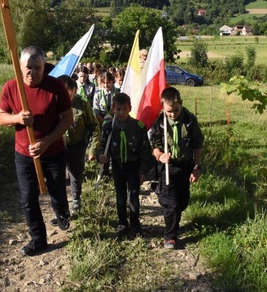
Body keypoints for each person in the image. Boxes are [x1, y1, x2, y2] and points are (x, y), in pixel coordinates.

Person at [0, 46, 74, 257]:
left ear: (43, 66)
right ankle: (38, 239)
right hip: (24, 154)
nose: (32, 73)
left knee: (57, 191)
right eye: (28, 68)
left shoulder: (55, 87)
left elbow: (68, 119)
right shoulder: (11, 87)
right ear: (20, 67)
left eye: (37, 68)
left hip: (53, 151)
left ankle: (62, 213)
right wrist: (17, 118)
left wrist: (47, 141)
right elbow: (1, 116)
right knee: (28, 197)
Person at [148, 87, 204, 250]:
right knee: (171, 204)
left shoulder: (190, 120)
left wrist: (196, 167)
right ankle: (170, 237)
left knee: (182, 201)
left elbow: (197, 145)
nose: (172, 114)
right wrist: (160, 155)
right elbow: (154, 144)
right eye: (168, 111)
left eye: (175, 110)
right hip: (167, 167)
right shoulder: (159, 121)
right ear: (163, 107)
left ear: (181, 104)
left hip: (185, 165)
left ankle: (165, 199)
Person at [97, 93, 152, 237]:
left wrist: (143, 170)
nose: (121, 112)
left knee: (133, 196)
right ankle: (122, 222)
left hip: (134, 166)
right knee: (120, 196)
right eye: (118, 109)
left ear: (130, 108)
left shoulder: (138, 127)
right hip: (117, 166)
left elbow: (145, 150)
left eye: (124, 109)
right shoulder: (109, 127)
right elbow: (102, 146)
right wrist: (101, 156)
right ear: (113, 109)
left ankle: (135, 222)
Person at [58, 74, 100, 214]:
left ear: (74, 90)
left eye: (67, 93)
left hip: (76, 145)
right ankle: (60, 208)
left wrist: (92, 150)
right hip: (56, 146)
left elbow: (94, 127)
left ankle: (76, 201)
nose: (64, 97)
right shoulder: (52, 104)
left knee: (75, 174)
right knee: (56, 177)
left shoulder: (82, 104)